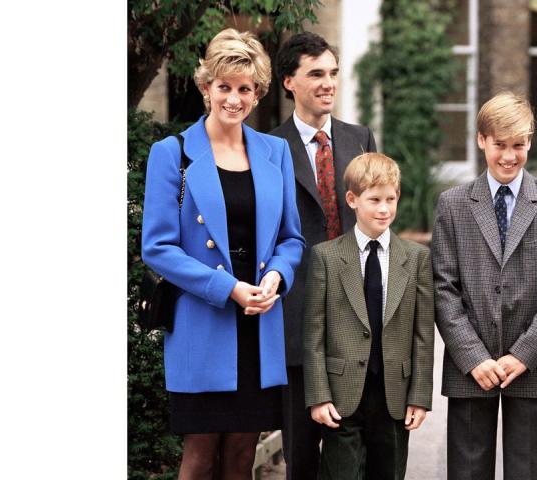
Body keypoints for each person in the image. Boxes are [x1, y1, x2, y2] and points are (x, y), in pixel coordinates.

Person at [141, 28, 305, 480]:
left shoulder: (275, 152)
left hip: (258, 324)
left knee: (240, 457)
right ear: (206, 87)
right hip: (203, 322)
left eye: (245, 89)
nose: (234, 99)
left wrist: (276, 276)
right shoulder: (172, 153)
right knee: (198, 458)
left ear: (258, 93)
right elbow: (156, 247)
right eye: (225, 87)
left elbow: (292, 239)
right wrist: (228, 287)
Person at [432, 91, 537, 479]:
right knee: (466, 470)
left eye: (519, 145)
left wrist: (524, 354)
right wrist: (473, 356)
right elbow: (443, 287)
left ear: (530, 141)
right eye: (500, 145)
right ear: (481, 139)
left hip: (533, 365)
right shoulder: (453, 204)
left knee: (529, 470)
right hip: (470, 368)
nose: (509, 156)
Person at [269, 31, 378, 480]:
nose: (328, 83)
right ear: (289, 82)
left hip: (357, 314)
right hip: (296, 316)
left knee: (355, 453)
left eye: (333, 73)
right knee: (300, 452)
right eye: (316, 74)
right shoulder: (268, 147)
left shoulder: (360, 138)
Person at [301, 152, 434, 480]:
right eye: (374, 200)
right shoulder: (327, 257)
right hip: (341, 396)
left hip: (394, 397)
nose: (384, 208)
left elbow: (423, 334)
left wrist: (420, 396)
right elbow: (314, 332)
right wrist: (318, 396)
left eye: (391, 199)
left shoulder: (416, 257)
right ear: (352, 200)